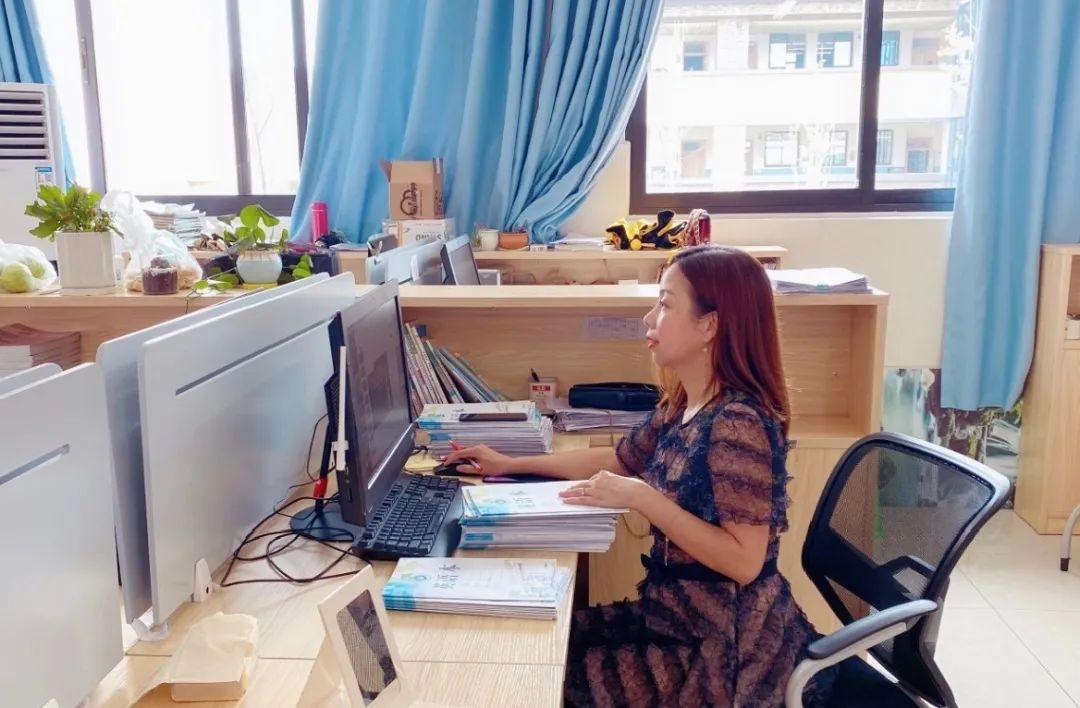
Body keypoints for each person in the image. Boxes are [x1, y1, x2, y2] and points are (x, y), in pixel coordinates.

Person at [442, 245, 833, 707]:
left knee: (541, 679)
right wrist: (509, 463)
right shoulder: (686, 403)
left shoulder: (737, 423)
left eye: (665, 304)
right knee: (535, 640)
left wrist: (643, 498)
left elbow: (745, 562)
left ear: (710, 325)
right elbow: (619, 460)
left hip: (720, 653)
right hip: (670, 618)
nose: (649, 319)